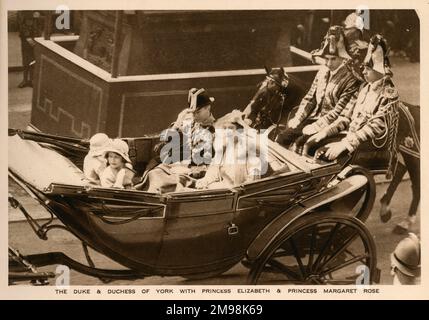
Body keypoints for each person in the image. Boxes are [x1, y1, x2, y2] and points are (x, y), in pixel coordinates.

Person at [305, 34, 399, 161]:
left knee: (322, 155)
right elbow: (345, 116)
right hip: (352, 137)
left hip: (369, 144)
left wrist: (345, 144)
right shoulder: (364, 88)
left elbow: (375, 127)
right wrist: (325, 132)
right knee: (311, 145)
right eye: (363, 68)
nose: (363, 72)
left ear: (379, 70)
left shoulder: (388, 93)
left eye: (368, 69)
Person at [276, 25, 361, 150]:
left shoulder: (351, 78)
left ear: (343, 58)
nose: (328, 63)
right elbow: (310, 98)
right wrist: (298, 118)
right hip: (312, 118)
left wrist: (316, 126)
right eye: (326, 59)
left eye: (333, 59)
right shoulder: (322, 71)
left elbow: (338, 112)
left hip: (332, 126)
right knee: (282, 138)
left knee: (299, 144)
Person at [195, 111, 263, 190]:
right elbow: (212, 173)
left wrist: (231, 186)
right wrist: (204, 181)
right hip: (222, 194)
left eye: (230, 128)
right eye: (224, 128)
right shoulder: (223, 152)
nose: (227, 132)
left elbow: (253, 183)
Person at [17, 11, 43, 88]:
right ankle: (25, 80)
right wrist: (28, 38)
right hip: (26, 41)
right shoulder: (23, 12)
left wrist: (38, 39)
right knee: (25, 61)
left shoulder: (37, 12)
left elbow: (40, 25)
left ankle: (31, 80)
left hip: (35, 39)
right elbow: (20, 24)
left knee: (33, 61)